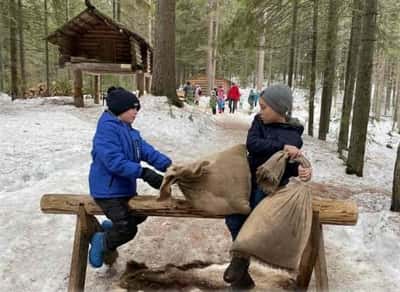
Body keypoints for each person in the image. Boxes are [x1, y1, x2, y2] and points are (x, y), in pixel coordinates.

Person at [223, 84, 312, 289]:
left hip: (271, 187)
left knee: (255, 212)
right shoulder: (259, 123)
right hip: (248, 178)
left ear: (279, 109)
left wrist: (302, 171)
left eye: (264, 107)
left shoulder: (293, 135)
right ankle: (242, 267)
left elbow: (289, 168)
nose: (259, 111)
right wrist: (280, 147)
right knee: (233, 215)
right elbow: (252, 144)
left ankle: (239, 262)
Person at [88, 87, 172, 268]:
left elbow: (146, 151)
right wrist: (144, 173)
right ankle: (101, 240)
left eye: (137, 109)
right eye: (132, 108)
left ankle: (113, 227)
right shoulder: (106, 131)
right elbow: (114, 161)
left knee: (141, 213)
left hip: (123, 189)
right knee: (127, 229)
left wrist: (169, 166)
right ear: (120, 109)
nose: (136, 112)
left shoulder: (128, 130)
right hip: (107, 191)